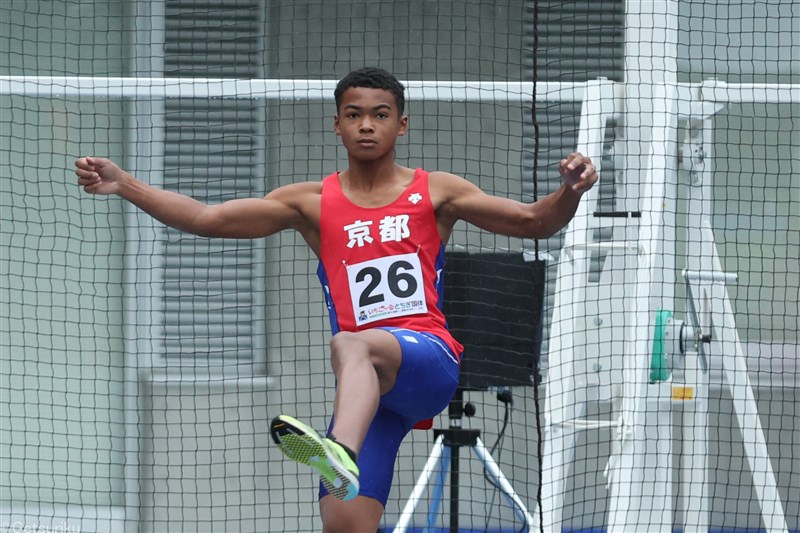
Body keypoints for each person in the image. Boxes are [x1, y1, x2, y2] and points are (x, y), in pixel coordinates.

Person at [75, 66, 597, 533]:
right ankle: (343, 456)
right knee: (345, 524)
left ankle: (339, 452)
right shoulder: (310, 202)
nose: (366, 124)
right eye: (354, 115)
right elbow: (208, 220)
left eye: (380, 114)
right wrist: (126, 185)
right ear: (337, 125)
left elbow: (535, 222)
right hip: (371, 396)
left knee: (352, 343)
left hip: (428, 358)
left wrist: (570, 191)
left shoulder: (436, 191)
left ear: (401, 125)